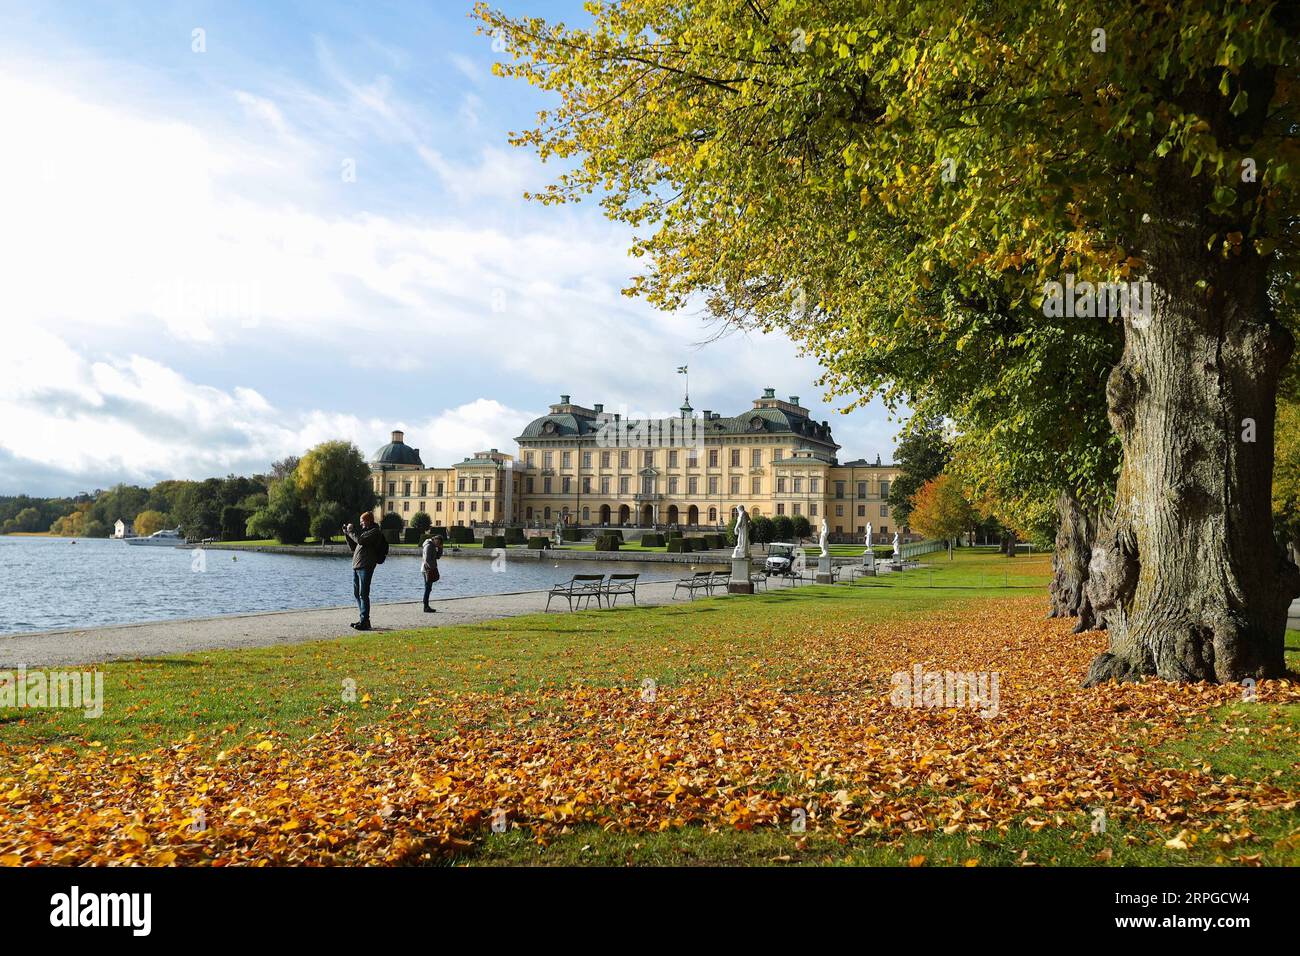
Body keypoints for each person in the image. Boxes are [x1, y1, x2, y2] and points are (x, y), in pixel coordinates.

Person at [343, 512, 385, 631]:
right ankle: (363, 619)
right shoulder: (365, 532)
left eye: (362, 520)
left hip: (366, 566)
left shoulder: (374, 532)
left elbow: (360, 540)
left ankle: (364, 621)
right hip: (357, 566)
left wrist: (351, 531)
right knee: (357, 593)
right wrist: (347, 533)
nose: (360, 523)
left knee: (363, 593)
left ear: (369, 521)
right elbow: (353, 546)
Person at [421, 532, 444, 612]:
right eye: (438, 542)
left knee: (428, 588)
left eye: (440, 543)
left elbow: (437, 557)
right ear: (435, 539)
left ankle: (426, 606)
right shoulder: (429, 546)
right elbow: (427, 560)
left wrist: (440, 548)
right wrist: (432, 569)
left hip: (428, 569)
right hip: (427, 569)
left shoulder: (432, 546)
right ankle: (426, 606)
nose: (438, 544)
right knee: (428, 588)